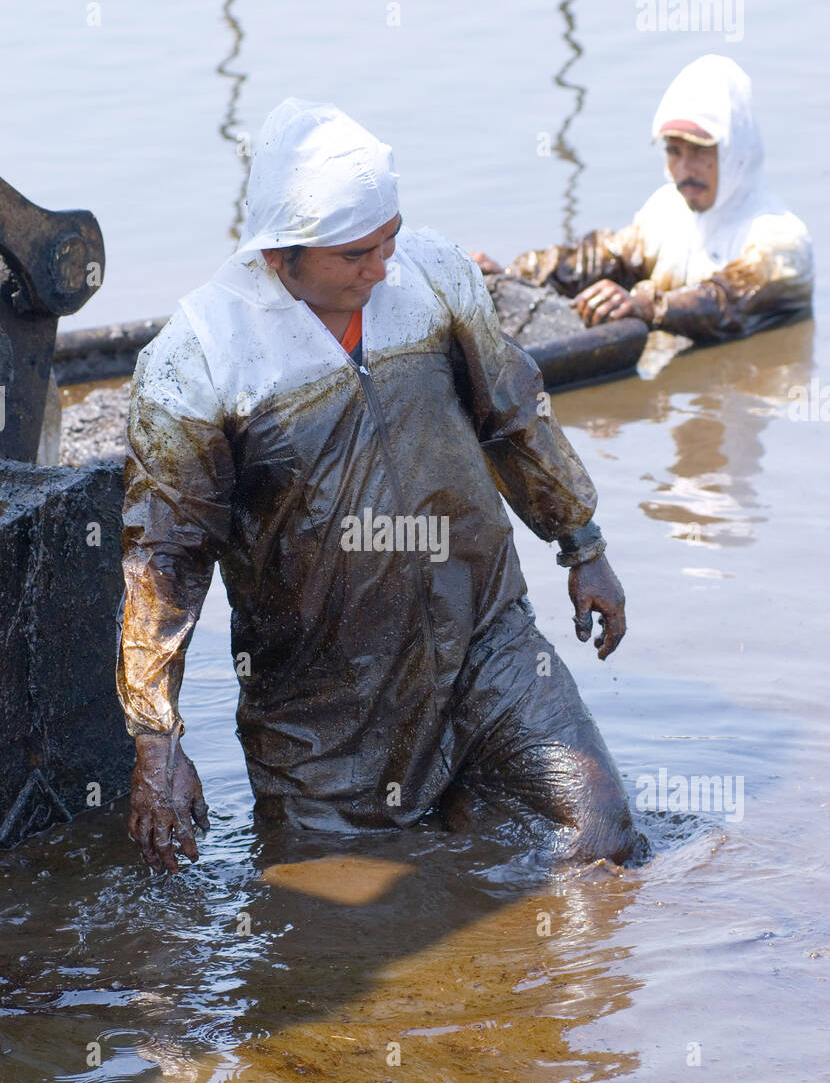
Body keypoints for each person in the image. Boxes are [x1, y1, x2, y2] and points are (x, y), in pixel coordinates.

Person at [116, 98, 643, 874]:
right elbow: (165, 558)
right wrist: (157, 740)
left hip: (484, 643)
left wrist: (582, 544)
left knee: (601, 834)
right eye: (355, 255)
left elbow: (514, 413)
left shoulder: (432, 279)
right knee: (340, 924)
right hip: (323, 705)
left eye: (389, 241)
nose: (380, 268)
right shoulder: (198, 359)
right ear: (279, 255)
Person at [473, 55, 813, 342]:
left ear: (735, 149)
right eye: (673, 151)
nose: (685, 168)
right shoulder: (667, 210)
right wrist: (511, 275)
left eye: (700, 151)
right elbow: (603, 258)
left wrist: (647, 307)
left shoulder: (781, 240)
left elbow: (726, 302)